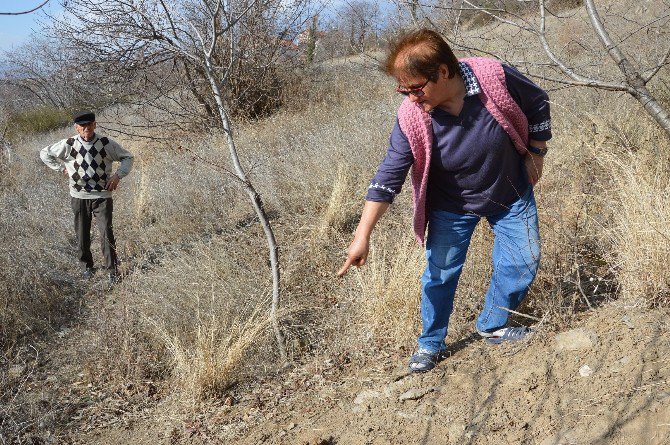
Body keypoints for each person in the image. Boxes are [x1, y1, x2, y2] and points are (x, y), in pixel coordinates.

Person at [337, 29, 551, 373]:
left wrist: (537, 153)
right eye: (402, 90)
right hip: (451, 205)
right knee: (439, 275)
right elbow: (389, 174)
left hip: (510, 191)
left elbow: (537, 101)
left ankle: (493, 325)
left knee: (523, 260)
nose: (409, 98)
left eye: (416, 88)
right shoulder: (412, 117)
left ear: (444, 72)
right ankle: (430, 343)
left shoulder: (493, 77)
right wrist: (362, 235)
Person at [40, 110, 134, 286]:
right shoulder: (68, 144)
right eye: (82, 126)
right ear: (76, 128)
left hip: (102, 195)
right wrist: (61, 169)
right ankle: (86, 268)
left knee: (106, 232)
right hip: (79, 195)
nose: (86, 129)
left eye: (89, 125)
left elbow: (128, 157)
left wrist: (118, 176)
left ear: (95, 125)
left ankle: (112, 270)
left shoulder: (106, 143)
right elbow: (45, 153)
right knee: (82, 233)